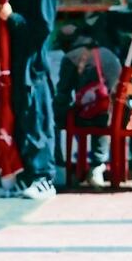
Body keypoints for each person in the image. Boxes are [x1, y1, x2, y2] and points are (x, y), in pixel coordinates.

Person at [0, 0, 58, 201]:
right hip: (18, 67)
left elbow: (42, 29)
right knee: (24, 121)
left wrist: (12, 17)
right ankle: (28, 175)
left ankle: (44, 178)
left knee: (37, 121)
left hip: (34, 69)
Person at [53, 24, 122, 188]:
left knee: (51, 120)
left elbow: (63, 94)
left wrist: (55, 112)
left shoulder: (71, 57)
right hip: (118, 116)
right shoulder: (109, 54)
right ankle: (97, 164)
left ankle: (61, 167)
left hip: (90, 116)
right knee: (102, 112)